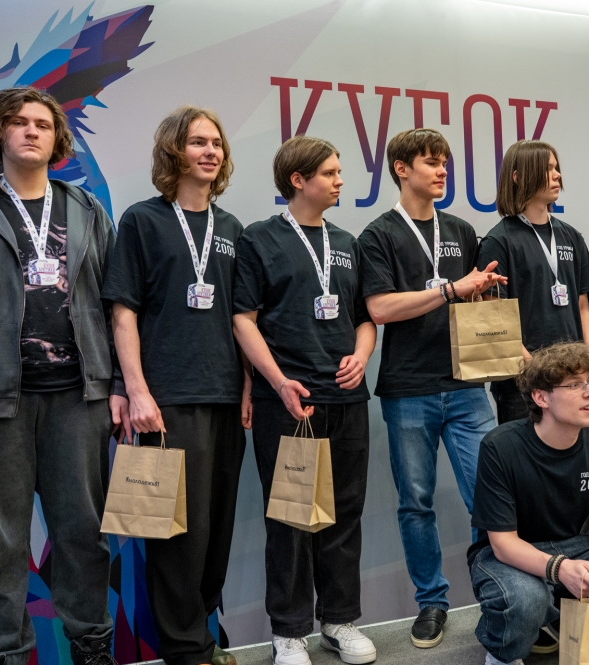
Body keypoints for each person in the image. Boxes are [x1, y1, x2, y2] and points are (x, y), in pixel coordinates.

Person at [0, 86, 120, 665]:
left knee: (84, 536)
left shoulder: (86, 208)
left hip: (79, 399)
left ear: (57, 140)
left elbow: (116, 304)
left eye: (43, 124)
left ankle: (91, 647)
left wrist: (120, 386)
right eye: (19, 122)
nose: (31, 131)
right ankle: (2, 655)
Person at [103, 106, 247, 665]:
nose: (210, 152)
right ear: (173, 152)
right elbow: (123, 313)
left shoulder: (231, 228)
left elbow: (241, 319)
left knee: (216, 529)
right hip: (167, 400)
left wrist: (246, 387)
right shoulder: (142, 221)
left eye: (216, 143)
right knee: (176, 532)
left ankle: (202, 634)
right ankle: (186, 650)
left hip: (224, 396)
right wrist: (137, 390)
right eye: (197, 142)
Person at [357, 128, 506, 648]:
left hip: (467, 385)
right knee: (415, 502)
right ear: (401, 169)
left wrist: (480, 293)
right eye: (430, 162)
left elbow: (473, 302)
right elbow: (379, 308)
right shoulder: (378, 235)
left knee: (489, 497)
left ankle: (500, 598)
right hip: (408, 389)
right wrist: (450, 289)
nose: (442, 171)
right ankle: (432, 603)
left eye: (444, 162)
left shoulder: (462, 230)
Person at [232, 136, 377, 665]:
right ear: (299, 180)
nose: (340, 181)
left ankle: (339, 620)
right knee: (293, 519)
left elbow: (365, 318)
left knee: (344, 513)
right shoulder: (259, 239)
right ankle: (288, 632)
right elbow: (243, 320)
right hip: (289, 402)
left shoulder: (347, 241)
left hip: (347, 398)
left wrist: (362, 354)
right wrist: (277, 382)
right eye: (331, 173)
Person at [468, 342, 589, 665]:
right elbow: (502, 544)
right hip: (509, 552)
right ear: (541, 397)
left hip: (574, 544)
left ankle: (571, 634)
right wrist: (560, 569)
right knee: (527, 600)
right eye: (574, 385)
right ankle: (503, 651)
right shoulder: (500, 447)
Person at [476, 140, 589, 425]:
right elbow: (496, 319)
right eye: (547, 169)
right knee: (529, 453)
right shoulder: (498, 241)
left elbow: (583, 306)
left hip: (575, 378)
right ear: (518, 176)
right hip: (524, 383)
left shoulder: (571, 237)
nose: (557, 175)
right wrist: (534, 370)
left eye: (556, 167)